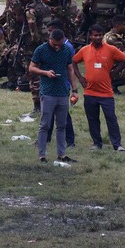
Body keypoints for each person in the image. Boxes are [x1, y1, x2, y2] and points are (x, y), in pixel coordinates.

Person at [71, 25, 125, 152]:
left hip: (106, 93)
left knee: (111, 118)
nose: (98, 37)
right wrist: (80, 77)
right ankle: (97, 143)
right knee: (92, 119)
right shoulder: (85, 50)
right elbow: (73, 61)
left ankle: (117, 144)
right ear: (90, 36)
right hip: (89, 92)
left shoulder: (111, 49)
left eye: (100, 35)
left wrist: (114, 72)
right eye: (95, 35)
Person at [30, 29, 80, 164]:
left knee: (62, 125)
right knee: (44, 125)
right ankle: (42, 155)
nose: (57, 46)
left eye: (60, 44)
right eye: (54, 44)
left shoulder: (67, 50)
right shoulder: (41, 50)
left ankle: (62, 154)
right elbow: (32, 68)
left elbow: (70, 69)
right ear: (49, 39)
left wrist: (74, 90)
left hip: (63, 92)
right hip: (48, 92)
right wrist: (45, 73)